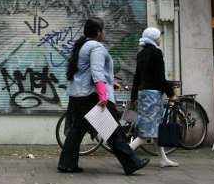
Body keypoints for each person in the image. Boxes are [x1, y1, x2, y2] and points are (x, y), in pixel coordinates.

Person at [57, 17, 150, 175]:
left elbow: (85, 71)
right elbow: (96, 72)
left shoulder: (82, 45)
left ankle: (66, 164)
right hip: (90, 96)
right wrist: (103, 94)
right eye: (103, 29)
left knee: (77, 130)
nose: (104, 33)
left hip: (78, 95)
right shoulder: (96, 47)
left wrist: (110, 82)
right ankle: (131, 163)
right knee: (111, 130)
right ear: (98, 32)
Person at [129, 27, 179, 168]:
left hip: (143, 93)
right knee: (145, 133)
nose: (160, 38)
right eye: (158, 36)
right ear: (153, 38)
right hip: (153, 95)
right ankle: (125, 153)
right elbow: (160, 78)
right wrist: (171, 94)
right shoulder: (156, 53)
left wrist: (133, 97)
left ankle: (163, 159)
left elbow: (137, 77)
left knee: (155, 129)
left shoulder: (141, 54)